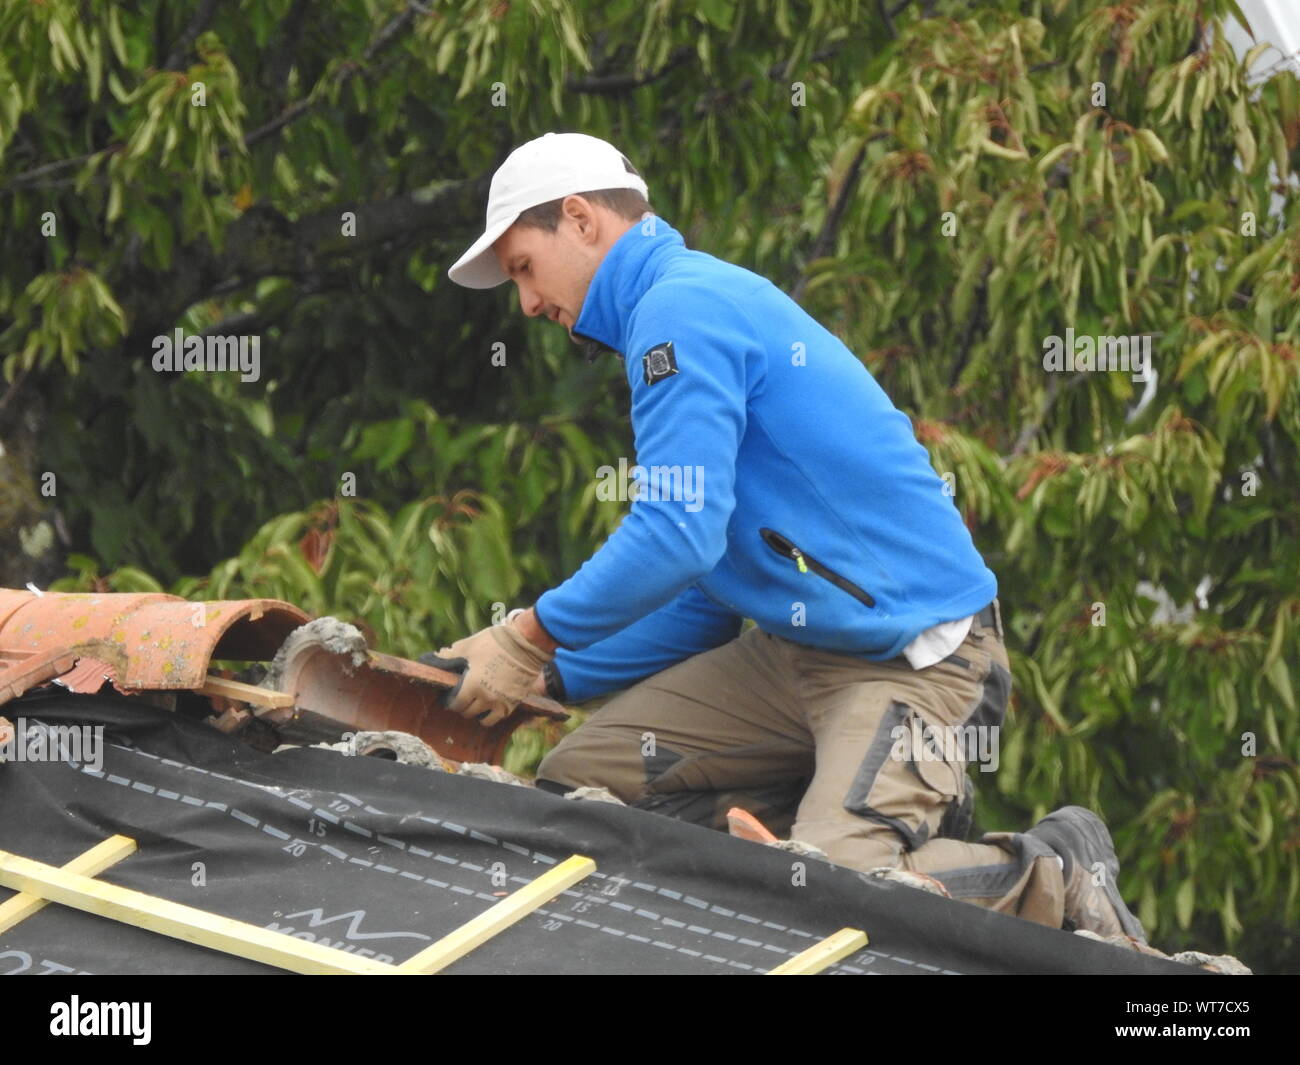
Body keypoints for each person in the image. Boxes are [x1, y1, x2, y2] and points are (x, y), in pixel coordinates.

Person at [432, 131, 1146, 942]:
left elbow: (674, 534)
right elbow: (704, 599)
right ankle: (842, 817)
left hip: (919, 662)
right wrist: (545, 681)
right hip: (791, 656)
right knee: (580, 786)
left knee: (824, 902)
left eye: (524, 266)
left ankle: (1049, 867)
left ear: (581, 218)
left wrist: (528, 635)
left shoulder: (679, 307)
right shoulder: (668, 316)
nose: (525, 304)